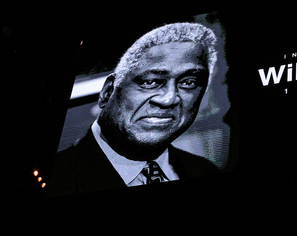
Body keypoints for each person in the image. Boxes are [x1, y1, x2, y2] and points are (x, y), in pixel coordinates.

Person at [51, 22, 220, 194]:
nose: (169, 99)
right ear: (108, 92)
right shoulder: (56, 180)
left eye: (188, 83)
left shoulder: (205, 170)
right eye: (150, 82)